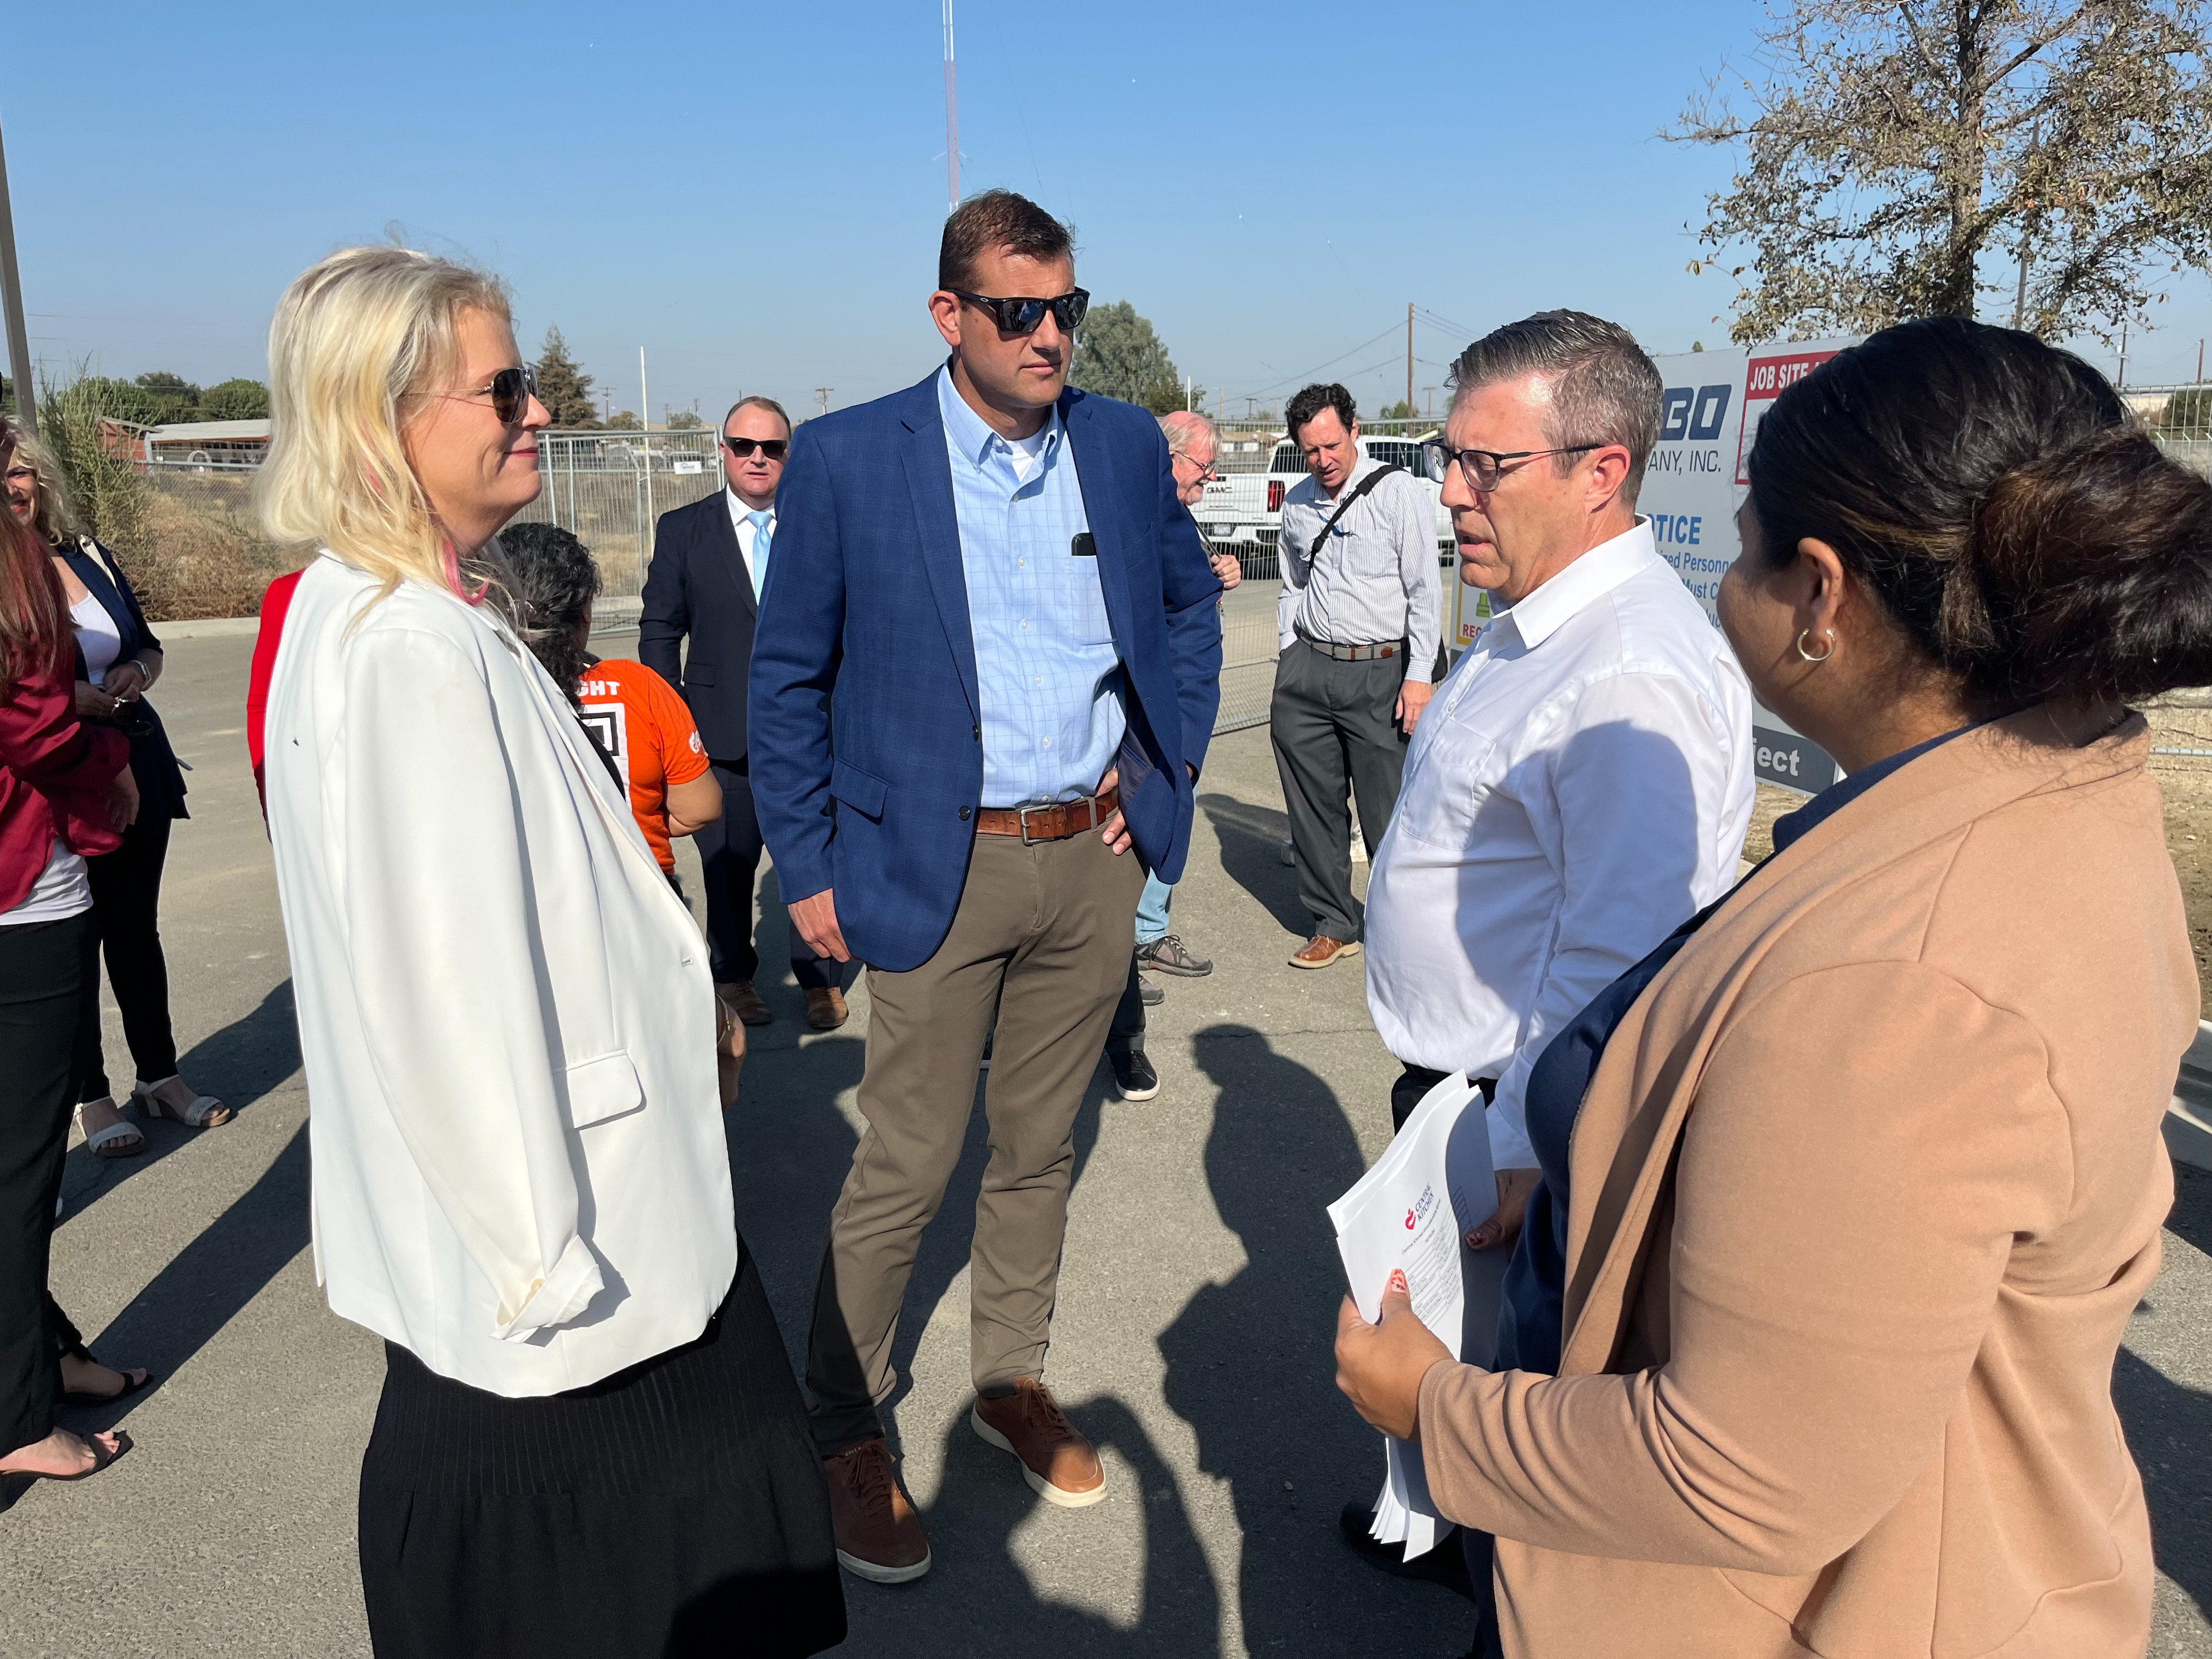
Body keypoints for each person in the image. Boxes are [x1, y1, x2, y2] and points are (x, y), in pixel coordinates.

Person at [1335, 316, 2209, 1659]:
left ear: (1820, 595)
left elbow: (1740, 1467)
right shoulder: (2058, 796)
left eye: (1741, 548)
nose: (1717, 582)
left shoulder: (1895, 972)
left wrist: (1435, 1410)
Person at [255, 245, 843, 1658]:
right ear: (381, 418)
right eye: (502, 385)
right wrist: (538, 1263)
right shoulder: (406, 651)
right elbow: (442, 991)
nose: (534, 412)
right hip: (569, 1270)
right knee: (607, 1572)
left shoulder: (401, 608)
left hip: (579, 1236)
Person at [751, 189, 1222, 1583]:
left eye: (1065, 309)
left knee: (1040, 1148)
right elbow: (789, 685)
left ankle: (1010, 1378)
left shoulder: (1123, 445)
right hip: (930, 864)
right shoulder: (848, 459)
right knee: (906, 1159)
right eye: (1020, 311)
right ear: (950, 315)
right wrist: (816, 870)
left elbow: (1190, 611)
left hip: (1087, 858)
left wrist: (1162, 767)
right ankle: (842, 1422)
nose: (1050, 337)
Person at [1343, 310, 1754, 1585]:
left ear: (1603, 470)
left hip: (1521, 1120)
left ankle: (1498, 1587)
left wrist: (1527, 1140)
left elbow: (1625, 950)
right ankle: (1448, 1532)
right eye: (1445, 459)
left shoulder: (1629, 665)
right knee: (1464, 1376)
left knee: (1533, 1432)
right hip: (1464, 1104)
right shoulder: (1531, 619)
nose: (1453, 494)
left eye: (1488, 466)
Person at [4, 438, 226, 1156]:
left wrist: (134, 672)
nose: (13, 485)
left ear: (43, 479)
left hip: (137, 757)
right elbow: (21, 689)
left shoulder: (86, 555)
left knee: (136, 929)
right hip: (68, 772)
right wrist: (80, 701)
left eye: (22, 470)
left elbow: (150, 644)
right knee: (73, 937)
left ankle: (158, 1077)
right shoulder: (8, 576)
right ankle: (91, 1096)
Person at [0, 415, 143, 1487]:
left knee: (17, 1156)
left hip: (30, 884)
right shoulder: (15, 597)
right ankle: (19, 1409)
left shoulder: (43, 573)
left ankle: (44, 1350)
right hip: (23, 899)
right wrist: (110, 756)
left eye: (25, 480)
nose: (21, 498)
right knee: (21, 1167)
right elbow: (38, 732)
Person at [641, 396, 845, 1032]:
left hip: (812, 738)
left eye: (774, 448)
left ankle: (820, 980)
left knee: (813, 860)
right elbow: (657, 633)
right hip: (718, 738)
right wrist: (674, 729)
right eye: (745, 445)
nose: (759, 458)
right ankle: (732, 978)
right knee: (727, 870)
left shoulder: (819, 525)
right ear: (723, 451)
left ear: (790, 455)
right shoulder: (682, 529)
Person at [1270, 381, 1440, 969]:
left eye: (1332, 445)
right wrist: (1289, 655)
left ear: (1354, 431)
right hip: (1309, 671)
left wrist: (1420, 676)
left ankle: (1402, 928)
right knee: (1313, 809)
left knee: (1388, 810)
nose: (1324, 460)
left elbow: (1424, 591)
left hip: (1380, 675)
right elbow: (1293, 586)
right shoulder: (1295, 504)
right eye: (1311, 450)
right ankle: (1334, 921)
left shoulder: (1399, 495)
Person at [1099, 409, 1239, 1102]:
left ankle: (1125, 1046)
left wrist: (1176, 763)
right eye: (1202, 467)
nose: (1208, 480)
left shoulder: (1168, 523)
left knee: (1117, 897)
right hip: (1068, 758)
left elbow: (1190, 628)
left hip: (1138, 752)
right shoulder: (1112, 507)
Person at [501, 521, 723, 882]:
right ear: (585, 611)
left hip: (535, 894)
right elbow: (699, 808)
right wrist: (636, 819)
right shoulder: (639, 687)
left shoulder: (482, 685)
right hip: (641, 886)